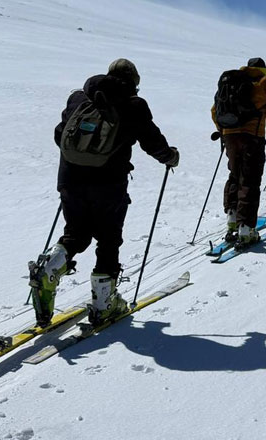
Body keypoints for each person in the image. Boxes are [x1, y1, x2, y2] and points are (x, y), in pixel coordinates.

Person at [30, 58, 180, 327]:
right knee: (108, 239)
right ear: (134, 82)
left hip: (70, 179)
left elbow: (59, 135)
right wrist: (169, 157)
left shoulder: (79, 98)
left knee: (76, 233)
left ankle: (51, 267)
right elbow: (151, 140)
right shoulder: (134, 105)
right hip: (108, 184)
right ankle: (103, 304)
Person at [211, 57, 266, 246]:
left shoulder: (231, 82)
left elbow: (215, 110)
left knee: (235, 175)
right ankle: (246, 229)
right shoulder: (264, 83)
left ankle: (232, 219)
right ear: (263, 70)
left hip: (230, 137)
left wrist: (224, 130)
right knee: (250, 179)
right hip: (252, 137)